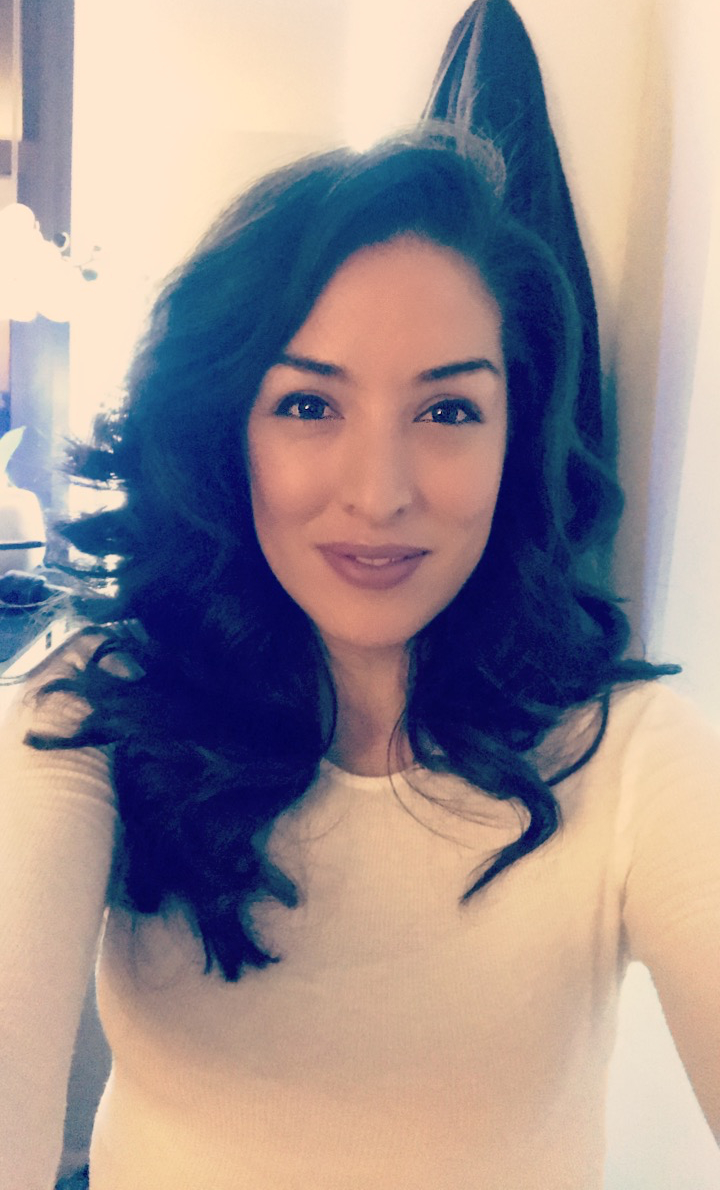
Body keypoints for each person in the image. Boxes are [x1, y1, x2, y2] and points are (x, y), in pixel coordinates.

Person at [1, 126, 719, 1190]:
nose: (380, 493)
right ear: (227, 431)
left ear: (516, 438)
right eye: (308, 404)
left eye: (448, 410)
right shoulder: (99, 716)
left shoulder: (630, 757)